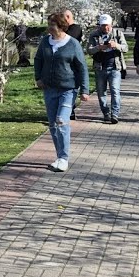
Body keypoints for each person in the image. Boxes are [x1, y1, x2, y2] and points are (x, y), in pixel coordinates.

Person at [35, 12, 90, 172]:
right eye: (49, 24)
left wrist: (84, 90)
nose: (49, 27)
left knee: (61, 120)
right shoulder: (46, 41)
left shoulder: (72, 43)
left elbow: (82, 67)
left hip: (68, 88)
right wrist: (38, 77)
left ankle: (64, 158)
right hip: (49, 88)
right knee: (53, 124)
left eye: (52, 24)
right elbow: (38, 59)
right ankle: (59, 156)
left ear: (60, 26)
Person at [86, 13, 128, 123]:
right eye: (103, 25)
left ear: (111, 25)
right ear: (99, 26)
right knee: (101, 92)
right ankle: (106, 112)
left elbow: (126, 48)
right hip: (100, 68)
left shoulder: (118, 34)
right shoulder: (94, 35)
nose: (106, 28)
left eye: (107, 25)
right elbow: (89, 50)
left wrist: (116, 45)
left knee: (115, 91)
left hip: (114, 67)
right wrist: (98, 47)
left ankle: (115, 114)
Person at [62, 9, 86, 120]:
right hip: (64, 64)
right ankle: (68, 109)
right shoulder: (64, 29)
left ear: (68, 17)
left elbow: (68, 40)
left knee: (72, 87)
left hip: (73, 62)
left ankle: (70, 109)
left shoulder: (76, 28)